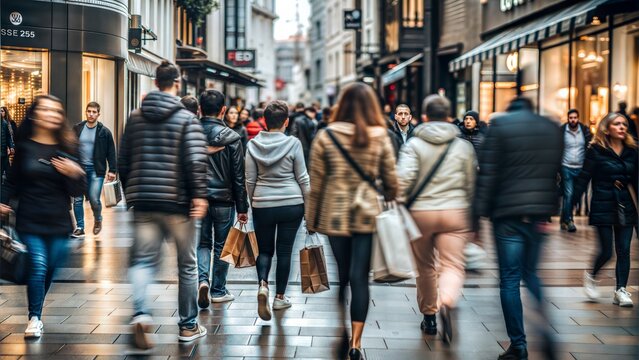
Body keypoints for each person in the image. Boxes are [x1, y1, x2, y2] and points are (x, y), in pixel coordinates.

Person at [118, 61, 209, 349]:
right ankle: (188, 325)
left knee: (143, 260)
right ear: (176, 84)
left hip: (143, 201)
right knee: (187, 264)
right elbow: (195, 161)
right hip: (178, 203)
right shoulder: (187, 119)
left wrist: (131, 191)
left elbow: (123, 161)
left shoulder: (134, 117)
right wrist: (199, 195)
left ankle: (142, 314)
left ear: (156, 83)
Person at [306, 83, 398, 360]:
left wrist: (311, 220)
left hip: (335, 217)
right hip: (366, 216)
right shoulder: (380, 136)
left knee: (343, 277)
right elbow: (392, 182)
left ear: (341, 105)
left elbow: (317, 184)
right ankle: (356, 343)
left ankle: (340, 328)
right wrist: (390, 192)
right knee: (361, 278)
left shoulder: (325, 136)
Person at [474, 97, 563, 360]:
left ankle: (519, 344)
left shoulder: (499, 127)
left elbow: (488, 174)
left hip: (508, 214)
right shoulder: (549, 127)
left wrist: (478, 215)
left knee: (510, 279)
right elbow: (555, 173)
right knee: (531, 273)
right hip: (537, 214)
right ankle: (544, 322)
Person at [0, 95, 86, 338]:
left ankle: (36, 308)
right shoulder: (25, 146)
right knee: (38, 265)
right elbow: (12, 180)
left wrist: (74, 173)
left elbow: (78, 191)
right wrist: (2, 201)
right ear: (35, 115)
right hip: (29, 218)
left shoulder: (68, 147)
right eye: (45, 110)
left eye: (55, 111)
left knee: (50, 268)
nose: (50, 114)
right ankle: (34, 318)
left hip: (58, 221)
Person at [397, 95, 476, 344]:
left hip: (421, 214)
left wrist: (401, 203)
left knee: (425, 266)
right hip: (455, 212)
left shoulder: (414, 145)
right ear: (449, 115)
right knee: (452, 265)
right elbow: (471, 182)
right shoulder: (463, 146)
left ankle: (429, 316)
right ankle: (448, 299)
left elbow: (403, 181)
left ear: (424, 117)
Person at [245, 100, 310, 321]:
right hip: (292, 204)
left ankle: (263, 285)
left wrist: (252, 201)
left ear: (264, 120)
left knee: (264, 251)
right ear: (286, 122)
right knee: (285, 252)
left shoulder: (252, 145)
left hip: (262, 203)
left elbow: (249, 179)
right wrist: (309, 209)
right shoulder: (293, 144)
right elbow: (303, 179)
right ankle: (280, 297)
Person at [574, 113, 637, 306]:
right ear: (606, 128)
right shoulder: (596, 150)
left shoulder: (632, 151)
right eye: (617, 124)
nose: (621, 127)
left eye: (624, 124)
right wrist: (567, 208)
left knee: (624, 250)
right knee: (606, 251)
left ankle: (621, 290)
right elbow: (584, 178)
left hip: (624, 204)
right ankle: (591, 276)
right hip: (603, 202)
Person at [196, 89, 249, 308]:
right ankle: (218, 289)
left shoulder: (190, 133)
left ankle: (202, 281)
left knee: (202, 243)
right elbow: (239, 175)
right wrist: (242, 207)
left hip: (197, 199)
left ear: (200, 109)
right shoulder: (232, 137)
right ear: (224, 110)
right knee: (222, 245)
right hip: (224, 199)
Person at [72, 102, 117, 237]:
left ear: (98, 114)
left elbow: (111, 152)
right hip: (79, 169)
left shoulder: (104, 132)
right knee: (78, 199)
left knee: (93, 198)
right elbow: (70, 146)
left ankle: (98, 219)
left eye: (94, 112)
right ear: (86, 112)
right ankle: (80, 227)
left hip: (96, 170)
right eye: (89, 111)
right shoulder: (77, 129)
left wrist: (112, 170)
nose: (91, 114)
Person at [559, 109, 592, 233]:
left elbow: (590, 147)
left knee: (575, 196)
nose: (573, 120)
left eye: (575, 117)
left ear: (578, 118)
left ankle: (563, 219)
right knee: (568, 194)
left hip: (580, 168)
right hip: (566, 167)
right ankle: (569, 221)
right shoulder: (562, 131)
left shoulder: (584, 131)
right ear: (568, 118)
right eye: (571, 117)